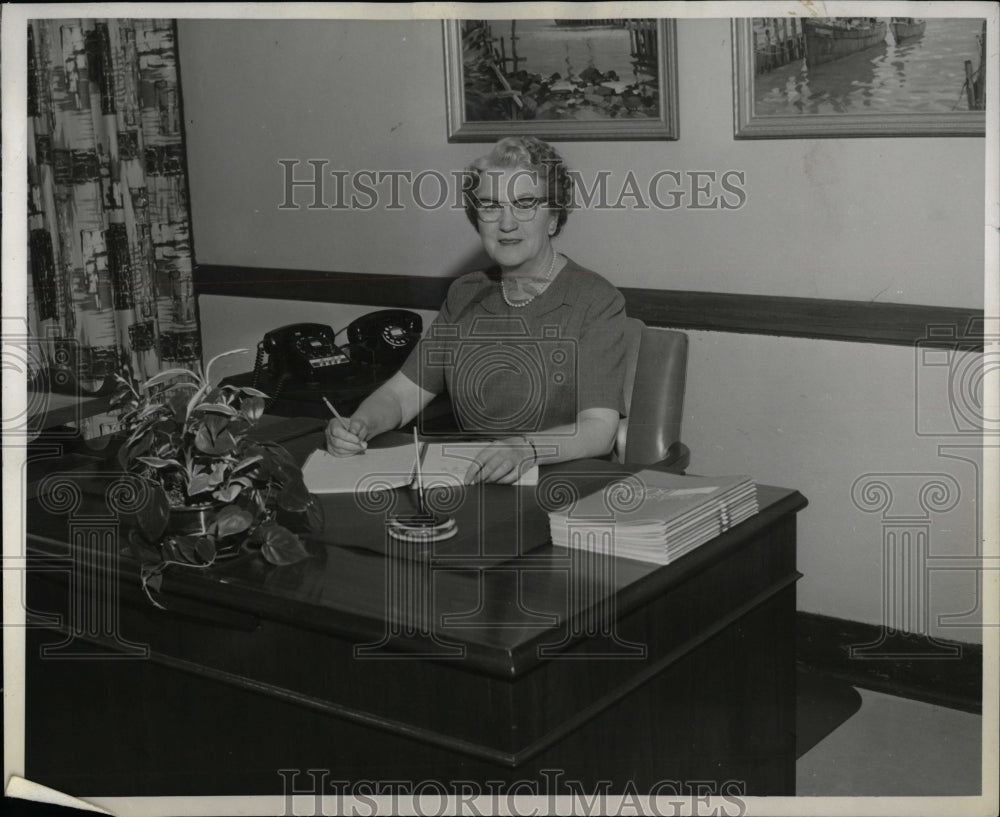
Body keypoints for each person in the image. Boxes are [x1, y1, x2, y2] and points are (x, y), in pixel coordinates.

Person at [326, 136, 628, 483]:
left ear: (554, 217)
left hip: (561, 484)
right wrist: (358, 424)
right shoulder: (466, 293)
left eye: (525, 204)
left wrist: (524, 448)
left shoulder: (594, 298)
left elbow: (600, 428)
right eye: (490, 206)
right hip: (474, 481)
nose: (507, 223)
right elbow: (401, 395)